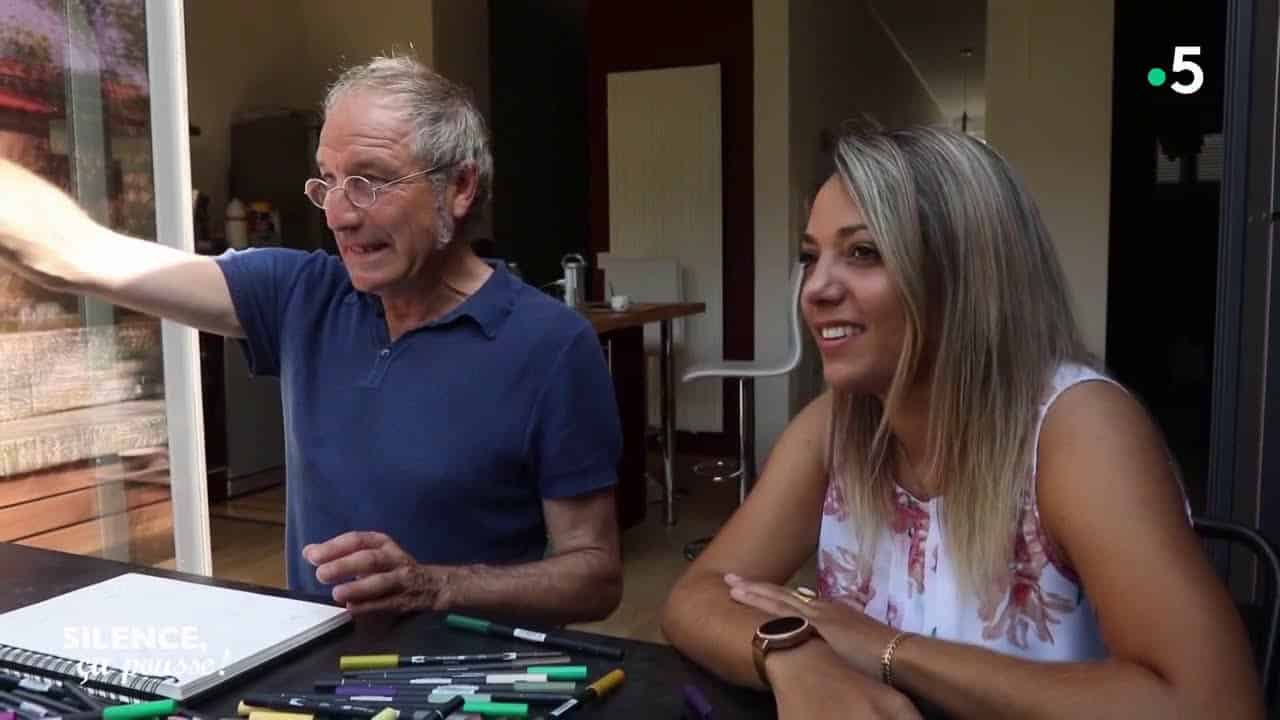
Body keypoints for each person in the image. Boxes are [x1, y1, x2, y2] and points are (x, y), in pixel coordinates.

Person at [660, 124, 1264, 719]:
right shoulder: (836, 426)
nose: (815, 289)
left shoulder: (1076, 429)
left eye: (863, 252)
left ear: (968, 273)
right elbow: (696, 596)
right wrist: (794, 655)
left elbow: (1212, 703)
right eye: (810, 257)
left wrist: (884, 650)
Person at [0, 55, 623, 625]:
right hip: (309, 678)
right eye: (327, 181)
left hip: (467, 688)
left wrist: (440, 585)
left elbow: (594, 576)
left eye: (370, 182)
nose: (339, 214)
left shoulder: (552, 345)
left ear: (458, 188)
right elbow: (75, 255)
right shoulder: (300, 294)